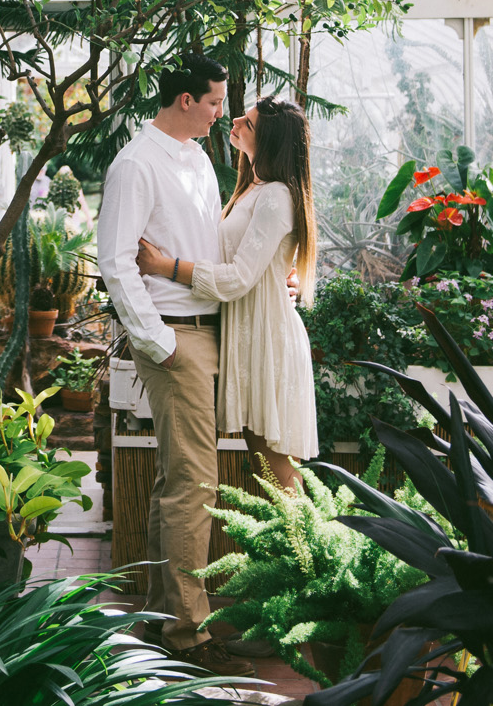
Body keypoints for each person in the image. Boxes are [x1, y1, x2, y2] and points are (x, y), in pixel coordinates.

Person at [96, 52, 253, 676]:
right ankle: (188, 632)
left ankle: (164, 612)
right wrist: (158, 342)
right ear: (185, 99)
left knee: (178, 479)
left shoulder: (197, 159)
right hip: (175, 336)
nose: (221, 114)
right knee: (195, 484)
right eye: (214, 102)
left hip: (207, 329)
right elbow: (115, 260)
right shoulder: (136, 163)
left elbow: (205, 244)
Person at [136, 97, 319, 490]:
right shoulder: (254, 189)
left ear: (268, 142)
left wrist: (162, 265)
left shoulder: (275, 195)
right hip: (252, 339)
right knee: (267, 474)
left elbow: (237, 278)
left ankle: (316, 551)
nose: (234, 119)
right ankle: (302, 550)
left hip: (268, 344)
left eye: (248, 123)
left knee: (278, 478)